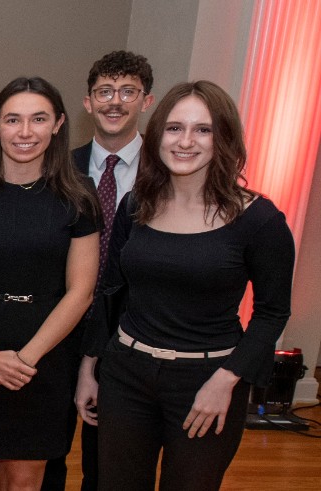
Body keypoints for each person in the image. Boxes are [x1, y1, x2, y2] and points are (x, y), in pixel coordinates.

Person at [81, 81, 294, 491]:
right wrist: (90, 369)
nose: (185, 141)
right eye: (175, 128)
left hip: (208, 380)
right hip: (126, 375)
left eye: (203, 129)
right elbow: (111, 291)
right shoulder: (135, 206)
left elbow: (272, 312)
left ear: (224, 138)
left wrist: (226, 380)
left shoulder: (259, 220)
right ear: (158, 134)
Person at [0, 77, 99, 491]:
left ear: (59, 124)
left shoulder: (78, 196)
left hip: (44, 358)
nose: (25, 132)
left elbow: (81, 291)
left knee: (24, 481)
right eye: (13, 120)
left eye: (38, 119)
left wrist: (26, 359)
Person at [44, 50, 155, 491]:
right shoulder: (57, 169)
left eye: (128, 91)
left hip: (128, 335)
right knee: (47, 453)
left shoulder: (164, 173)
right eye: (104, 91)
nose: (115, 101)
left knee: (107, 463)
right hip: (60, 329)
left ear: (146, 101)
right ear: (87, 102)